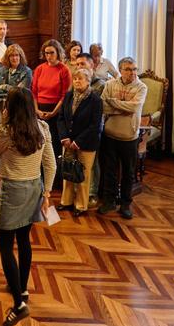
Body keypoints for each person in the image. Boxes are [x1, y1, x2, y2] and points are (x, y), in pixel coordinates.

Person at [0, 88, 56, 326]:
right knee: (24, 239)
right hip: (34, 189)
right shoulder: (43, 129)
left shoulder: (7, 131)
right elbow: (51, 164)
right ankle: (22, 288)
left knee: (5, 245)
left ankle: (18, 305)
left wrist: (1, 124)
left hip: (13, 190)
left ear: (11, 108)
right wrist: (46, 193)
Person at [97, 58, 147, 219]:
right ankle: (109, 201)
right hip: (110, 134)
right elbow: (103, 106)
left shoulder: (141, 87)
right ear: (120, 70)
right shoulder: (110, 85)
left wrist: (113, 104)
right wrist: (121, 108)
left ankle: (125, 204)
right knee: (109, 171)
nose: (132, 72)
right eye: (128, 69)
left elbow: (135, 107)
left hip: (129, 137)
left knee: (128, 172)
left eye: (134, 69)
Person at [56, 69, 103, 217]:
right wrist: (64, 138)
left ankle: (81, 205)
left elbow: (95, 126)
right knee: (68, 171)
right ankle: (66, 201)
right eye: (75, 79)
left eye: (80, 79)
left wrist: (78, 141)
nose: (76, 81)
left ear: (88, 81)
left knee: (83, 175)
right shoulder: (69, 95)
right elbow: (61, 118)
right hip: (68, 142)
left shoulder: (95, 100)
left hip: (86, 143)